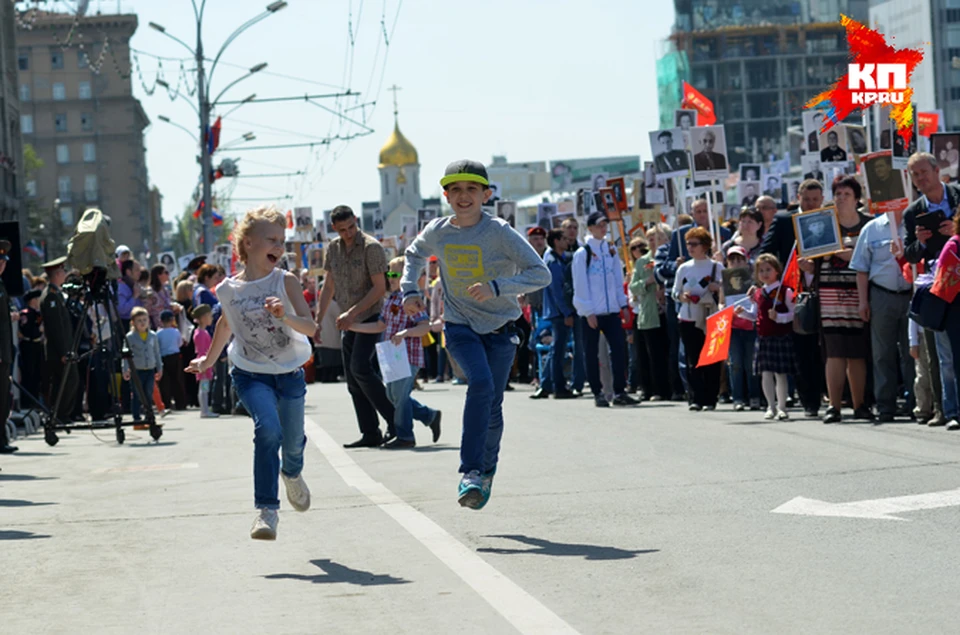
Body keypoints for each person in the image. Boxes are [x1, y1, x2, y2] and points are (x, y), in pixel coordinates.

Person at [400, 159, 551, 509]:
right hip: (459, 324)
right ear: (446, 196)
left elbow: (539, 273)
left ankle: (486, 470)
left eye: (471, 189)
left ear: (486, 194)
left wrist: (498, 286)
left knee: (493, 406)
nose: (463, 196)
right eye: (455, 190)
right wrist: (410, 290)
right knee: (480, 385)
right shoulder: (438, 230)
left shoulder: (499, 231)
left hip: (500, 329)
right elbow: (414, 254)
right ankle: (470, 472)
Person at [188, 206, 316, 540]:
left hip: (289, 373)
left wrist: (284, 315)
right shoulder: (228, 290)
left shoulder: (285, 281)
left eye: (282, 240)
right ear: (246, 244)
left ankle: (292, 473)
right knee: (267, 430)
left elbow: (311, 327)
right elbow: (225, 324)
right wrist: (206, 360)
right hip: (249, 373)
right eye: (271, 239)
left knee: (292, 445)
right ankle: (266, 510)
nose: (279, 246)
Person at [316, 205, 396, 448]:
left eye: (351, 227)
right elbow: (328, 287)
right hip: (347, 321)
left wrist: (352, 313)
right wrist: (317, 321)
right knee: (352, 380)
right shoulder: (333, 249)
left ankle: (396, 421)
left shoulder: (371, 247)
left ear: (356, 220)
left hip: (370, 318)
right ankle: (370, 432)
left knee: (360, 367)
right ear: (334, 229)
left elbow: (380, 289)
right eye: (342, 230)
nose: (348, 233)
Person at [354, 256, 441, 448]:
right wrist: (354, 326)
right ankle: (429, 415)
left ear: (405, 277)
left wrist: (406, 332)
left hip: (408, 355)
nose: (390, 277)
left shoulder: (411, 299)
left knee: (399, 397)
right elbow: (380, 325)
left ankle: (405, 436)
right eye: (389, 273)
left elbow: (424, 326)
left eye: (394, 274)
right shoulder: (391, 298)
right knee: (393, 396)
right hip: (391, 356)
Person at [903, 153, 960, 429]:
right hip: (939, 288)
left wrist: (956, 231)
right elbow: (909, 255)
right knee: (944, 354)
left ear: (937, 171)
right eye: (914, 175)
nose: (920, 178)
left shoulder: (958, 196)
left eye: (923, 172)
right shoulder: (912, 212)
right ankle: (951, 411)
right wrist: (921, 243)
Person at [761, 178, 826, 418]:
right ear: (798, 198)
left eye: (815, 200)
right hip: (793, 295)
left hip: (824, 291)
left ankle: (824, 394)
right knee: (802, 350)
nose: (811, 204)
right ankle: (809, 401)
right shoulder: (783, 221)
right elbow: (766, 252)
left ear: (821, 200)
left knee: (824, 350)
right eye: (806, 200)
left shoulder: (826, 220)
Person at [812, 176, 873, 423]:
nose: (841, 198)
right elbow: (812, 256)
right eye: (837, 193)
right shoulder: (823, 224)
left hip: (860, 295)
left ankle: (860, 405)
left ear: (856, 198)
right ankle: (834, 407)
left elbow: (869, 257)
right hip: (829, 296)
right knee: (835, 352)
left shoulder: (869, 224)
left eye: (846, 193)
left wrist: (845, 253)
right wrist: (807, 264)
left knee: (857, 352)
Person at [851, 200, 916, 423]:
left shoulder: (913, 225)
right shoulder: (871, 229)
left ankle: (916, 403)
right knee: (882, 353)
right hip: (881, 295)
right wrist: (863, 302)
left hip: (911, 294)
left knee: (912, 351)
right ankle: (886, 405)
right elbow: (861, 269)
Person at [572, 212, 638, 408]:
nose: (603, 228)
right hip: (592, 313)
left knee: (619, 350)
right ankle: (597, 392)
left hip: (611, 311)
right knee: (592, 353)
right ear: (590, 228)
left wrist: (622, 303)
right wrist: (587, 311)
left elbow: (618, 280)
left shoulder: (611, 250)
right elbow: (580, 285)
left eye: (605, 225)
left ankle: (619, 391)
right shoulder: (582, 253)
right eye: (599, 225)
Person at [736, 254, 796, 420]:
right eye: (761, 271)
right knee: (766, 373)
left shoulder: (785, 291)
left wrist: (779, 317)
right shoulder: (758, 294)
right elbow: (756, 316)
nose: (765, 273)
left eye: (768, 269)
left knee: (780, 374)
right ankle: (770, 406)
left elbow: (793, 314)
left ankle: (782, 406)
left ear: (777, 271)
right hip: (763, 337)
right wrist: (743, 314)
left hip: (780, 337)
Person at [673, 226, 724, 410]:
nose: (690, 247)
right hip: (688, 317)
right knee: (693, 359)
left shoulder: (716, 267)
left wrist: (717, 287)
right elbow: (675, 291)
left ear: (704, 246)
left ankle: (711, 398)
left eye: (694, 244)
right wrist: (681, 297)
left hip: (710, 316)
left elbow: (726, 289)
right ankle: (696, 398)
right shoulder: (684, 268)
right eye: (688, 243)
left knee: (711, 359)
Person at [539, 228, 577, 400]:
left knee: (557, 350)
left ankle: (548, 385)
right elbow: (558, 292)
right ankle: (559, 387)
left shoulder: (559, 259)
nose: (566, 240)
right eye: (562, 238)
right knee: (558, 350)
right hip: (559, 313)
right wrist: (567, 312)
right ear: (555, 241)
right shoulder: (554, 262)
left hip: (558, 312)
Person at [40, 256, 78, 425]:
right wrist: (64, 351)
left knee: (64, 381)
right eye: (63, 271)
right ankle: (60, 414)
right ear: (56, 274)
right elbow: (56, 328)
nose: (65, 273)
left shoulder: (57, 294)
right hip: (58, 350)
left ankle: (59, 414)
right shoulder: (50, 297)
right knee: (68, 381)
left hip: (64, 348)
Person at [722, 246, 760, 410]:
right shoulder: (724, 281)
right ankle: (737, 397)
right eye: (732, 260)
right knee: (735, 362)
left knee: (750, 363)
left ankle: (754, 396)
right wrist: (722, 308)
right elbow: (722, 301)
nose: (736, 263)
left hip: (750, 326)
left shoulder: (752, 281)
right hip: (733, 326)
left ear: (746, 262)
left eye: (739, 260)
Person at [629, 236, 667, 401]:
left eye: (657, 238)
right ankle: (649, 389)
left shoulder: (668, 259)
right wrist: (648, 281)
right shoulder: (643, 261)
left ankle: (668, 388)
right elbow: (634, 286)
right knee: (648, 353)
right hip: (650, 312)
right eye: (650, 238)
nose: (653, 241)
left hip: (666, 311)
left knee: (665, 352)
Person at [122, 306, 162, 428]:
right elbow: (125, 355)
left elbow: (156, 352)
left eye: (145, 319)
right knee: (137, 395)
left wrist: (159, 367)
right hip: (137, 370)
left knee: (148, 394)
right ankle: (137, 420)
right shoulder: (130, 337)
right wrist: (125, 369)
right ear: (133, 323)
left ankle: (149, 418)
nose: (142, 323)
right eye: (139, 320)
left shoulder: (153, 336)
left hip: (149, 369)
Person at [937, 216, 960, 429]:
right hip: (954, 311)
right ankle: (954, 411)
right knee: (953, 363)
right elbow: (941, 283)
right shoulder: (953, 245)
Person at [0, 241, 16, 454]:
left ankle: (1, 438)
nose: (2, 265)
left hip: (4, 351)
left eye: (4, 262)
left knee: (3, 397)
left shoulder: (1, 284)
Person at [17, 288, 44, 412]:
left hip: (37, 345)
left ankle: (35, 401)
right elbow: (27, 330)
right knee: (29, 374)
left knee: (37, 375)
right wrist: (39, 330)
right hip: (28, 345)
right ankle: (28, 403)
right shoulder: (26, 314)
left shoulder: (39, 313)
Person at [157, 309, 187, 411]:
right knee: (178, 380)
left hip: (164, 357)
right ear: (172, 320)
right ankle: (181, 403)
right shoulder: (176, 331)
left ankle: (166, 403)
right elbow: (180, 343)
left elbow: (158, 346)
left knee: (165, 382)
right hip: (175, 356)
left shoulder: (158, 333)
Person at [145, 263, 176, 330]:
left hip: (170, 324)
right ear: (158, 275)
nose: (168, 274)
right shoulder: (150, 291)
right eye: (166, 272)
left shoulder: (166, 289)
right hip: (158, 326)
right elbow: (147, 310)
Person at [116, 259, 143, 332]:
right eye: (137, 270)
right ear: (128, 272)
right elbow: (121, 310)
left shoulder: (134, 285)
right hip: (126, 326)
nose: (140, 273)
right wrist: (134, 296)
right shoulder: (121, 288)